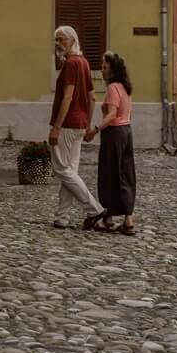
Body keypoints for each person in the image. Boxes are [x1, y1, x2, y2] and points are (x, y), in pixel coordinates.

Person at [48, 26, 103, 230]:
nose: (58, 44)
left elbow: (68, 97)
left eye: (61, 39)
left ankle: (95, 209)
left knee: (61, 169)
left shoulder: (71, 64)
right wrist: (87, 123)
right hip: (79, 124)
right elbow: (92, 97)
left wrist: (56, 127)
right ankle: (62, 217)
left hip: (68, 125)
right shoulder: (84, 63)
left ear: (72, 40)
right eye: (56, 40)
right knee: (70, 172)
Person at [85, 51, 137, 235]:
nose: (102, 70)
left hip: (114, 133)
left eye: (105, 67)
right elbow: (128, 113)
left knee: (109, 175)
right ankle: (127, 219)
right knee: (125, 174)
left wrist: (95, 129)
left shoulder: (113, 88)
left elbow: (112, 115)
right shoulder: (125, 87)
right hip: (127, 131)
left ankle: (108, 218)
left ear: (113, 70)